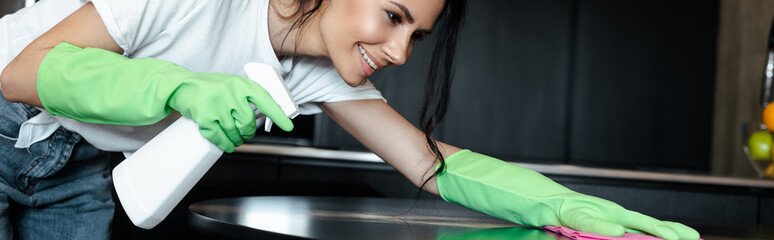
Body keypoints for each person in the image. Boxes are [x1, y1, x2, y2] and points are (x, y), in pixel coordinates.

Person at [0, 0, 701, 239]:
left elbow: (430, 165)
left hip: (82, 166)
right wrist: (178, 88)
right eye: (393, 16)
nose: (398, 52)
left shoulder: (318, 70)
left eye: (416, 36)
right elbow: (22, 72)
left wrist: (569, 207)